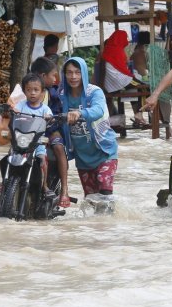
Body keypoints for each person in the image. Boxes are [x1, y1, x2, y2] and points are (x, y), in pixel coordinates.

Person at [61, 57, 119, 200]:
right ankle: (96, 223)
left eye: (77, 72)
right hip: (82, 158)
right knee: (91, 199)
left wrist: (80, 113)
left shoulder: (94, 92)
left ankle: (109, 221)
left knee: (105, 194)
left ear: (84, 74)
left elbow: (98, 110)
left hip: (104, 151)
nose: (73, 77)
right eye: (69, 73)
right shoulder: (62, 95)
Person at [30, 56, 71, 207]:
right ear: (42, 76)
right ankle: (7, 182)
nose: (56, 78)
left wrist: (57, 118)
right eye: (53, 75)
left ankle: (64, 189)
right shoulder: (26, 90)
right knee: (14, 147)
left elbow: (59, 110)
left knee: (59, 148)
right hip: (30, 130)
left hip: (50, 129)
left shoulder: (53, 92)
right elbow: (15, 103)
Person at [14, 72, 55, 199]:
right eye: (29, 90)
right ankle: (7, 181)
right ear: (24, 91)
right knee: (11, 156)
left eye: (36, 90)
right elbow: (14, 113)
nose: (32, 93)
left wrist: (49, 118)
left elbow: (52, 119)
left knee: (42, 159)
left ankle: (44, 185)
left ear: (42, 92)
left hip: (37, 143)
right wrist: (11, 112)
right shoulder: (20, 106)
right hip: (21, 140)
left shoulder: (45, 109)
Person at [101, 29, 147, 127]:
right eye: (125, 37)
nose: (126, 40)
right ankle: (139, 113)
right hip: (120, 80)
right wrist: (132, 77)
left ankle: (138, 116)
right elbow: (123, 70)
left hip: (110, 83)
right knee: (143, 86)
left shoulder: (108, 49)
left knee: (134, 89)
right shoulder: (118, 50)